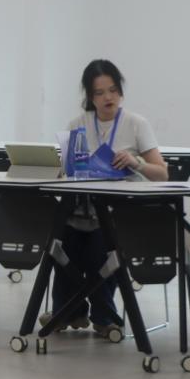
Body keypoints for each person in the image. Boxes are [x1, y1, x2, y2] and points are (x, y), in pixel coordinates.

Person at [48, 60, 168, 337]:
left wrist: (136, 163)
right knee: (62, 244)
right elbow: (67, 170)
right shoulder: (77, 124)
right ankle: (70, 312)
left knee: (100, 249)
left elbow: (162, 173)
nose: (108, 98)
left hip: (119, 213)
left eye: (113, 90)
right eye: (100, 93)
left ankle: (103, 317)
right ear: (90, 97)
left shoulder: (136, 124)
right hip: (81, 210)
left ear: (120, 91)